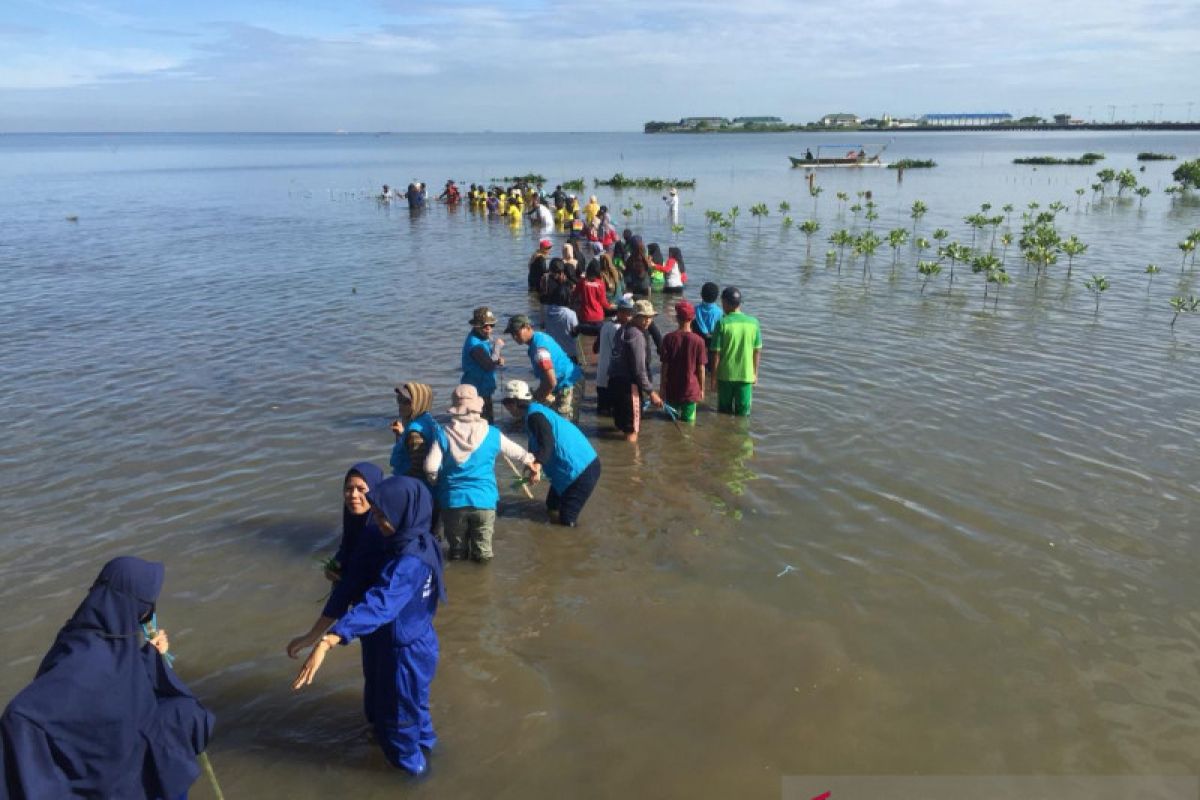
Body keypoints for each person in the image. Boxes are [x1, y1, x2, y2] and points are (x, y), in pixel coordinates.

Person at [1, 557, 214, 799]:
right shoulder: (86, 662)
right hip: (107, 769)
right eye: (147, 606)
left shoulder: (84, 633)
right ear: (132, 604)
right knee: (184, 719)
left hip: (97, 745)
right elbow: (22, 712)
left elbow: (111, 679)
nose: (148, 614)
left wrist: (151, 655)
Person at [292, 476, 444, 777]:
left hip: (404, 651)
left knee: (400, 723)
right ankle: (425, 752)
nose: (376, 521)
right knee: (407, 711)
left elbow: (382, 601)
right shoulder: (410, 540)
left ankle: (415, 778)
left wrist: (330, 639)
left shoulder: (410, 561)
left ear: (402, 512)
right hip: (402, 639)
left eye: (381, 516)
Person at [286, 463, 388, 696]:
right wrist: (337, 566)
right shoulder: (356, 518)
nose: (353, 495)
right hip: (366, 612)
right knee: (374, 679)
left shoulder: (376, 529)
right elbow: (348, 548)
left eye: (362, 490)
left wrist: (315, 636)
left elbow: (349, 585)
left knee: (384, 682)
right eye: (348, 489)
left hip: (380, 613)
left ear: (375, 492)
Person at [425, 385, 539, 562]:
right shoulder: (493, 434)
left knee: (456, 551)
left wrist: (434, 481)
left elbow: (430, 467)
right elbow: (518, 453)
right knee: (483, 552)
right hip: (484, 501)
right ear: (478, 407)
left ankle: (461, 578)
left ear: (455, 410)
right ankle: (484, 582)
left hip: (452, 501)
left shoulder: (443, 434)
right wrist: (531, 463)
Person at [500, 379, 600, 526]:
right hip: (573, 469)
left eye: (506, 404)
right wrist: (531, 463)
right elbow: (538, 441)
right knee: (552, 506)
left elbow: (547, 443)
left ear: (514, 403)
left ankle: (572, 544)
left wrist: (538, 466)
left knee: (567, 521)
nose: (506, 408)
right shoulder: (534, 412)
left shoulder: (535, 417)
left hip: (581, 471)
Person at [505, 314, 583, 421]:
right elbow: (547, 379)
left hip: (569, 384)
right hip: (565, 382)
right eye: (512, 334)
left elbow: (551, 382)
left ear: (527, 327)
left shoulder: (539, 349)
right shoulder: (539, 338)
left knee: (564, 423)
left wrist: (537, 398)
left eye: (516, 332)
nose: (514, 337)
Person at [607, 299, 664, 442]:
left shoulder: (622, 329)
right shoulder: (637, 335)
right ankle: (634, 462)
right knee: (632, 430)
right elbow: (639, 369)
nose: (647, 321)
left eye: (650, 317)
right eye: (643, 317)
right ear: (635, 315)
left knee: (621, 426)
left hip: (614, 382)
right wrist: (651, 392)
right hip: (629, 386)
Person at [709, 286, 762, 416]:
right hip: (746, 376)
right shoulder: (754, 323)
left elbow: (715, 353)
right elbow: (757, 351)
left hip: (725, 376)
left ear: (725, 303)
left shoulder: (722, 323)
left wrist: (713, 379)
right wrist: (755, 373)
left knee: (723, 414)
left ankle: (723, 435)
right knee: (743, 416)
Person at [659, 300, 707, 423]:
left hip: (672, 388)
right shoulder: (699, 341)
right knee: (689, 423)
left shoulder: (668, 338)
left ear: (677, 318)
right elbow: (701, 368)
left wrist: (662, 387)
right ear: (692, 318)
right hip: (690, 389)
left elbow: (665, 366)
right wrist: (701, 389)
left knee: (670, 421)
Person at [460, 307, 504, 422]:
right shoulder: (474, 345)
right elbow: (488, 365)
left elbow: (488, 359)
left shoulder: (482, 337)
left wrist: (496, 359)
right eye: (485, 326)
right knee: (484, 422)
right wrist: (497, 348)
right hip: (476, 392)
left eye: (491, 325)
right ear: (476, 326)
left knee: (488, 420)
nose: (489, 329)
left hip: (483, 388)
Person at [390, 382, 440, 479]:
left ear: (419, 402)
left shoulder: (414, 434)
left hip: (412, 485)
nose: (401, 405)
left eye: (407, 402)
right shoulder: (427, 420)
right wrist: (401, 435)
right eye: (399, 400)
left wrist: (398, 485)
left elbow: (417, 470)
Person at [594, 294, 633, 416]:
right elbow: (621, 353)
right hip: (612, 378)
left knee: (602, 412)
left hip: (600, 377)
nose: (630, 317)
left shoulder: (605, 325)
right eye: (629, 313)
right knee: (612, 414)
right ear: (620, 312)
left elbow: (595, 348)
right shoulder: (619, 330)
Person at [694, 281, 724, 368]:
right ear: (717, 297)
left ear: (701, 294)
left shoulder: (695, 310)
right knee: (711, 368)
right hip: (712, 344)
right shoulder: (720, 312)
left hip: (697, 342)